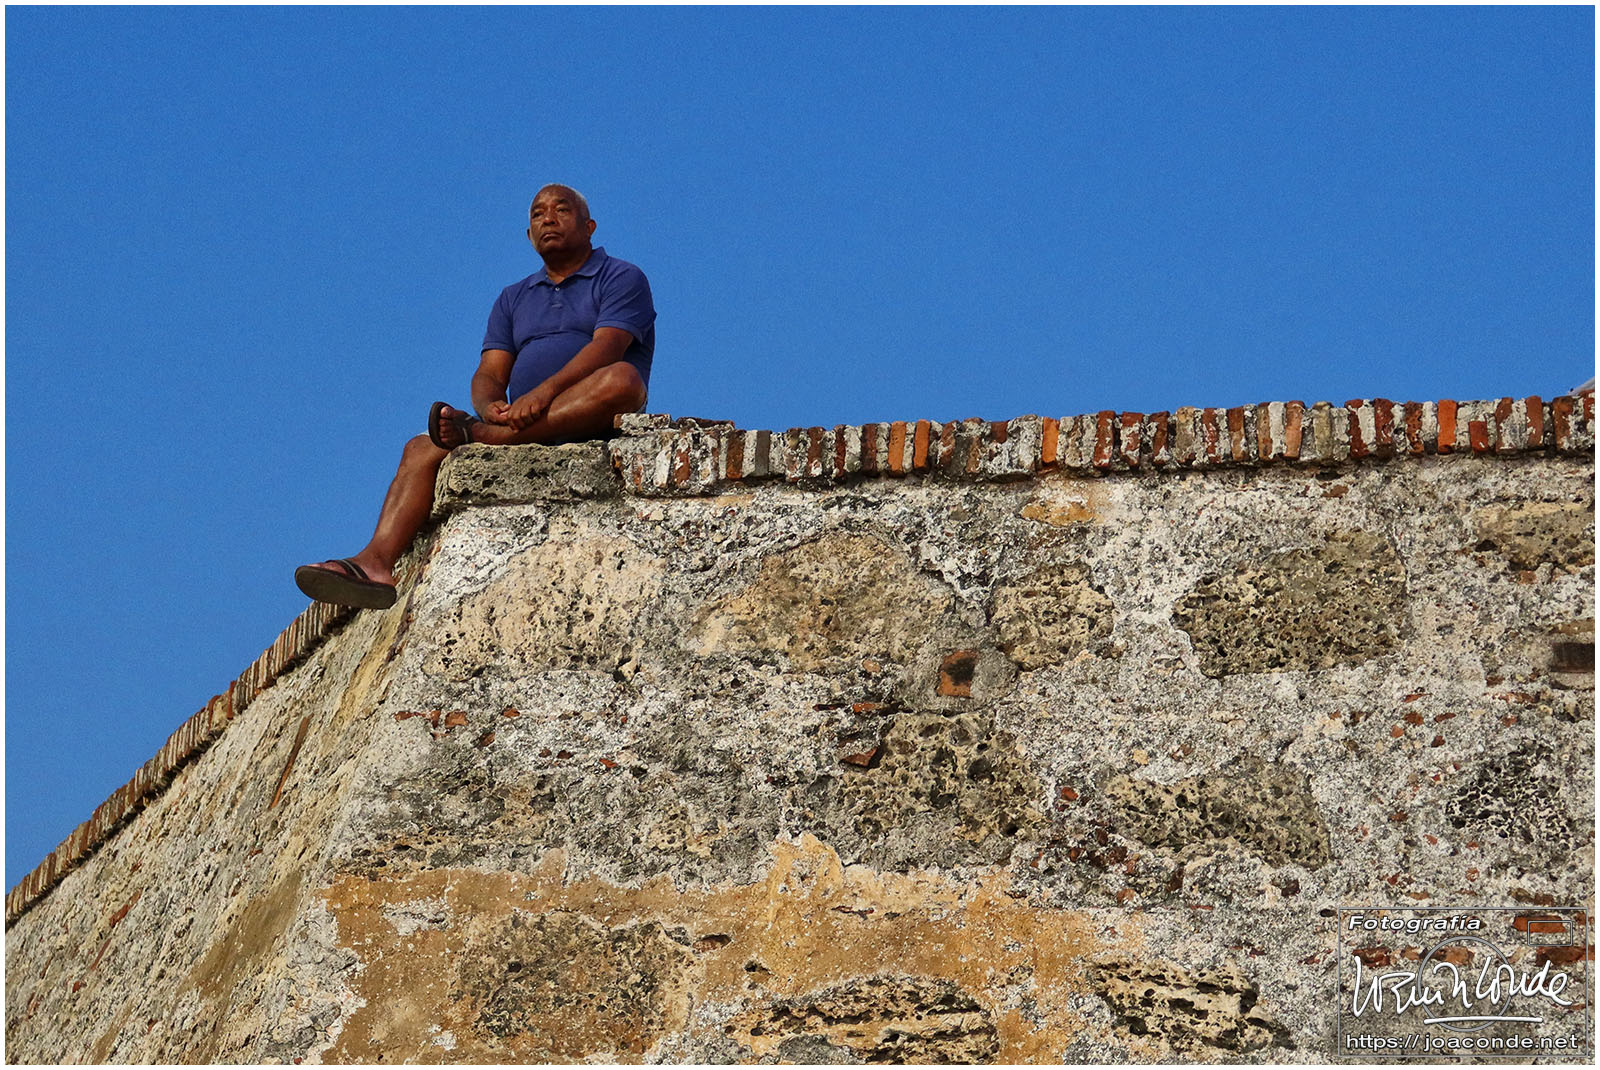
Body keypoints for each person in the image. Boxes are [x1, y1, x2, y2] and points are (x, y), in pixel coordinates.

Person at [294, 184, 654, 609]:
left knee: (623, 379)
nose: (548, 219)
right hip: (518, 421)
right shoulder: (513, 297)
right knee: (419, 448)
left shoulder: (621, 276)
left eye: (561, 210)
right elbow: (490, 372)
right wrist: (490, 408)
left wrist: (543, 393)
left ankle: (490, 437)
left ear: (589, 226)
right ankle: (374, 562)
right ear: (529, 235)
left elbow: (607, 347)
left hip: (583, 414)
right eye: (538, 214)